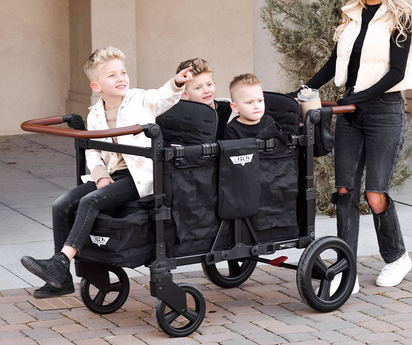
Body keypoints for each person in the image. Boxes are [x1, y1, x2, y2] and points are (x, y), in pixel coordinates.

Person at [21, 47, 193, 298]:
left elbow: (163, 97)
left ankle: (60, 261)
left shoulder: (140, 100)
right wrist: (100, 175)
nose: (121, 78)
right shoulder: (95, 115)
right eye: (112, 75)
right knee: (61, 204)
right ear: (96, 86)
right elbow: (93, 151)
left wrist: (177, 82)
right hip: (112, 175)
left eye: (123, 72)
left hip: (139, 177)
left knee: (90, 201)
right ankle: (61, 279)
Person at [300, 0, 412, 292]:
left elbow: (397, 73)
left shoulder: (400, 17)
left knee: (375, 193)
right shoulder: (352, 14)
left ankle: (397, 257)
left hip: (384, 111)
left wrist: (358, 98)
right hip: (350, 112)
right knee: (344, 191)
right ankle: (347, 268)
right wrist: (305, 88)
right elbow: (334, 62)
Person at [176, 58, 232, 139]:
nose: (206, 91)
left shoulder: (231, 111)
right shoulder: (180, 119)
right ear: (185, 94)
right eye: (198, 87)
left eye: (209, 84)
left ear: (214, 84)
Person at [224, 74, 275, 139]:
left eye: (260, 101)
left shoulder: (269, 122)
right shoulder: (232, 129)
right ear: (235, 107)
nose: (257, 106)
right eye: (249, 102)